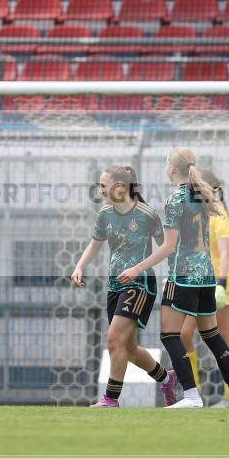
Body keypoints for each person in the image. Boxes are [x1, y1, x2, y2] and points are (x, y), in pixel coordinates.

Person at [117, 148, 229, 410]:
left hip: (183, 276)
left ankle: (191, 396)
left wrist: (137, 268)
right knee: (212, 335)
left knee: (169, 335)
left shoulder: (175, 199)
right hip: (206, 277)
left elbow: (169, 247)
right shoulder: (202, 194)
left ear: (171, 169)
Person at [71, 165, 178, 408]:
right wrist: (79, 266)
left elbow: (167, 248)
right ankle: (166, 377)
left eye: (103, 185)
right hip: (115, 285)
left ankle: (110, 398)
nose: (100, 190)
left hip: (140, 284)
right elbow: (94, 245)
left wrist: (141, 269)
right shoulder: (104, 214)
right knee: (128, 348)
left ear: (119, 186)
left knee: (114, 339)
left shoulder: (147, 215)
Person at [180, 169, 229, 408]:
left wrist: (221, 284)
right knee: (183, 334)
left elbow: (224, 254)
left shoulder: (219, 215)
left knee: (223, 337)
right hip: (199, 282)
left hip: (218, 284)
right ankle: (193, 395)